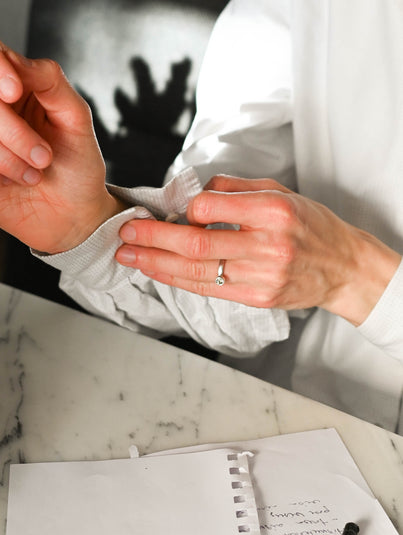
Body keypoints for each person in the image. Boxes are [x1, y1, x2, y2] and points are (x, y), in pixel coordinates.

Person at [0, 0, 402, 432]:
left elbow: (323, 270)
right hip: (293, 430)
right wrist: (86, 227)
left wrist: (358, 277)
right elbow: (218, 273)